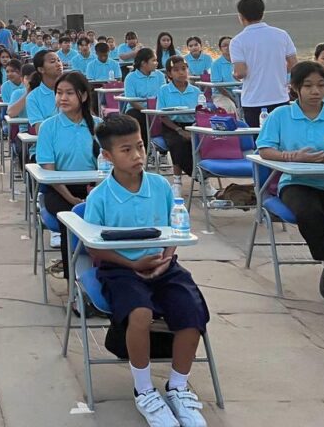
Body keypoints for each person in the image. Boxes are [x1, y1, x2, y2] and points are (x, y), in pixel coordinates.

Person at [85, 114, 210, 427]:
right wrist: (132, 264)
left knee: (192, 309)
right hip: (120, 268)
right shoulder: (100, 197)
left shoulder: (159, 186)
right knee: (139, 313)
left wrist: (166, 258)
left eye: (140, 146)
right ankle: (144, 390)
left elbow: (174, 228)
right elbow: (94, 248)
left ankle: (178, 386)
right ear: (108, 156)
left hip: (162, 264)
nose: (137, 155)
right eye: (126, 150)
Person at [256, 61, 324, 302]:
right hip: (296, 182)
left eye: (321, 85)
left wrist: (322, 158)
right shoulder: (281, 115)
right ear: (295, 88)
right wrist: (292, 157)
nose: (315, 91)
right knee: (308, 212)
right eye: (308, 86)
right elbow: (265, 150)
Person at [35, 72, 101, 281]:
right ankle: (73, 280)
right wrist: (72, 199)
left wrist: (95, 190)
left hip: (93, 187)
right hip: (59, 189)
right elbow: (49, 171)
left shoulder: (98, 125)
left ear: (83, 96)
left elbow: (106, 165)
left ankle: (103, 273)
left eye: (69, 93)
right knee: (70, 218)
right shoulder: (48, 127)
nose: (63, 98)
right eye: (59, 93)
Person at [230, 0, 297, 126]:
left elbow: (240, 72)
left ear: (241, 16)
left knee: (258, 136)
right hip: (279, 97)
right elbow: (294, 65)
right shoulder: (281, 35)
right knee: (281, 135)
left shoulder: (237, 41)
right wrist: (277, 70)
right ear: (262, 13)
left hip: (253, 100)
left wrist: (235, 74)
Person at [156, 57, 203, 189]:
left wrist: (192, 129)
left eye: (184, 69)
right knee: (178, 143)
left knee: (202, 142)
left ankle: (203, 178)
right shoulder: (164, 90)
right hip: (171, 126)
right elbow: (162, 115)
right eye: (176, 70)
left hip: (192, 125)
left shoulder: (196, 91)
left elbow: (201, 113)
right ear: (169, 74)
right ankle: (178, 182)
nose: (181, 72)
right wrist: (179, 130)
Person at [123, 48, 167, 144]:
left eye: (156, 60)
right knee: (139, 119)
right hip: (138, 109)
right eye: (153, 60)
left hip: (157, 108)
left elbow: (164, 95)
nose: (157, 63)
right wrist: (146, 111)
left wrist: (156, 110)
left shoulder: (160, 75)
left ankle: (162, 147)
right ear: (143, 63)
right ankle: (145, 148)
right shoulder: (130, 78)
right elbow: (132, 101)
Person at [9, 50, 63, 127]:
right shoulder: (33, 97)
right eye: (52, 62)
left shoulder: (72, 89)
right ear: (41, 69)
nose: (58, 64)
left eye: (59, 60)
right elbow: (40, 129)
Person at [208, 36, 238, 112]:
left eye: (230, 45)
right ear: (220, 48)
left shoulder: (240, 61)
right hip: (222, 94)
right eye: (225, 45)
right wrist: (233, 99)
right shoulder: (216, 64)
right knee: (230, 106)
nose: (228, 47)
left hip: (239, 92)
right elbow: (218, 86)